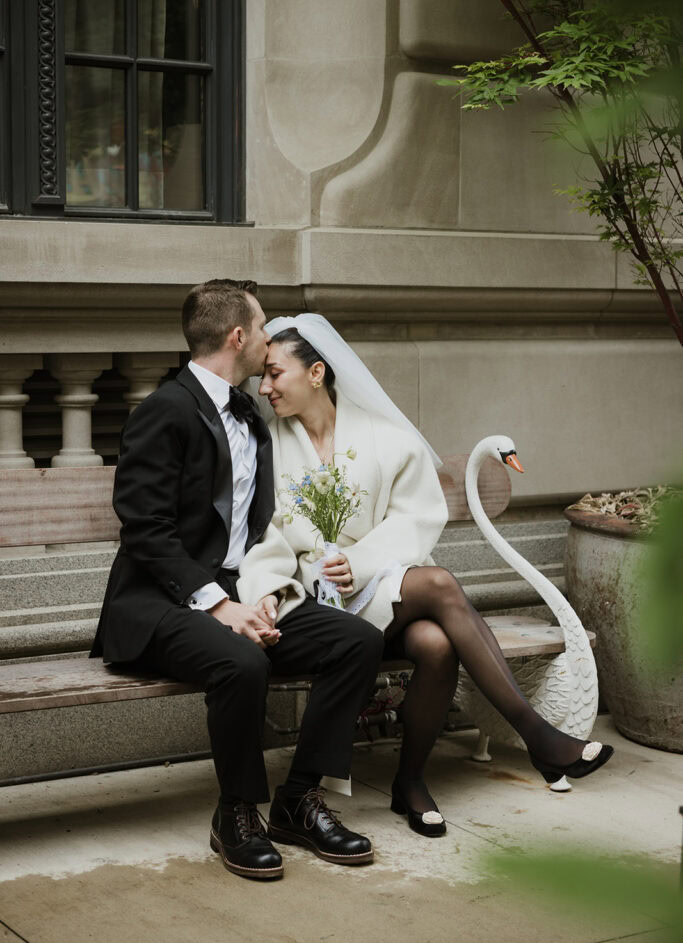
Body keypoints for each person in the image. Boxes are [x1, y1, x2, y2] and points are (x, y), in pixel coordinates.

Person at [252, 313, 614, 838]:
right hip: (311, 597)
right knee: (440, 590)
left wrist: (362, 560)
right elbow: (262, 530)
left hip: (376, 584)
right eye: (261, 375)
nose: (264, 387)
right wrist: (284, 584)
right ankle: (538, 739)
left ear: (315, 373)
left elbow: (417, 516)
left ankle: (412, 781)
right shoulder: (269, 445)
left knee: (437, 642)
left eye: (274, 373)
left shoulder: (382, 435)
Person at [90, 282, 384, 880]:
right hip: (158, 601)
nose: (272, 338)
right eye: (264, 326)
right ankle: (236, 812)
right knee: (241, 663)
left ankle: (298, 800)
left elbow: (261, 530)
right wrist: (219, 604)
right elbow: (145, 531)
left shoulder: (253, 413)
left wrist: (266, 595)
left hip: (243, 588)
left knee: (356, 641)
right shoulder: (163, 411)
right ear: (239, 337)